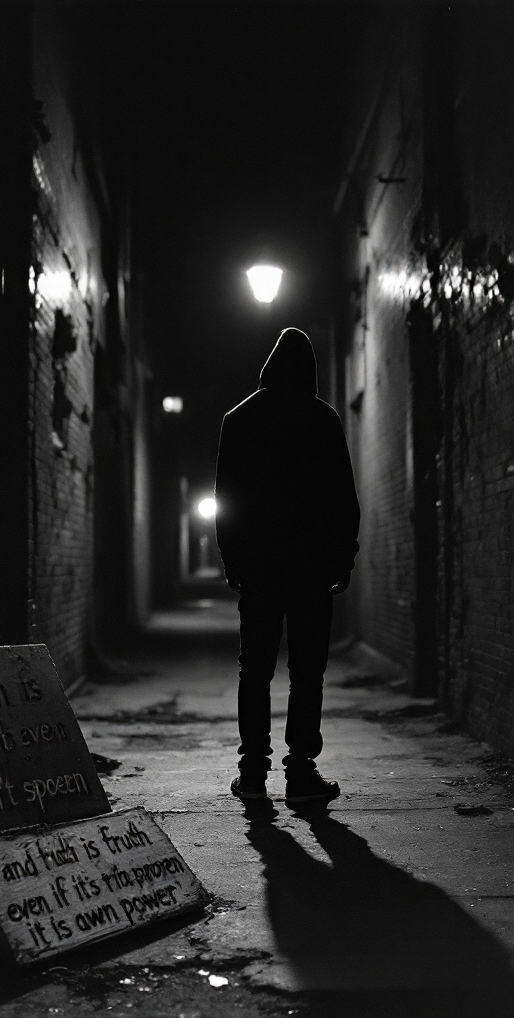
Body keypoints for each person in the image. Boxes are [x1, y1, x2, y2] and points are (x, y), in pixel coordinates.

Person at [214, 327, 360, 806]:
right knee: (307, 672)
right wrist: (343, 558)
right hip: (311, 568)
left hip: (258, 567)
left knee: (254, 671)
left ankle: (253, 774)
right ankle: (300, 775)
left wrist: (233, 562)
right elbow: (343, 498)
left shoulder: (238, 420)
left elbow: (226, 502)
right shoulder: (323, 419)